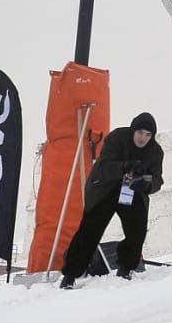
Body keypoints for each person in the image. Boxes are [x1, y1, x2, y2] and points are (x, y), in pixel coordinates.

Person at [59, 112, 163, 289]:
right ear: (133, 130)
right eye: (140, 132)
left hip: (131, 192)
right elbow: (102, 168)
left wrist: (144, 184)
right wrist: (124, 167)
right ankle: (70, 274)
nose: (143, 138)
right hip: (105, 189)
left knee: (137, 229)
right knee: (89, 230)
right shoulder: (117, 138)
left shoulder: (155, 152)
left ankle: (126, 267)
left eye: (148, 134)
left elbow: (157, 180)